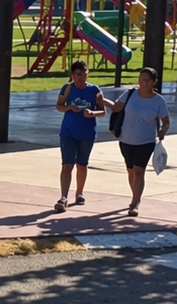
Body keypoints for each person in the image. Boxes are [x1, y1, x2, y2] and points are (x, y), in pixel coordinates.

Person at [105, 66, 170, 217]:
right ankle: (136, 195)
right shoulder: (130, 94)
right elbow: (116, 108)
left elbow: (166, 122)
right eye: (142, 80)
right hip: (126, 139)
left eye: (148, 81)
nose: (144, 83)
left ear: (154, 82)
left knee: (139, 171)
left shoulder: (158, 101)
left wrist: (163, 131)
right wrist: (100, 98)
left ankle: (135, 203)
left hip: (146, 141)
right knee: (131, 171)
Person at [52, 59, 107, 213]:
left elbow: (103, 111)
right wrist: (69, 107)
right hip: (68, 133)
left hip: (87, 134)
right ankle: (63, 197)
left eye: (84, 73)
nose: (81, 77)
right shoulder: (67, 89)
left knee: (82, 164)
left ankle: (79, 193)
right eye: (78, 74)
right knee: (67, 165)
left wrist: (92, 113)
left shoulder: (95, 90)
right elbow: (59, 106)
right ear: (73, 75)